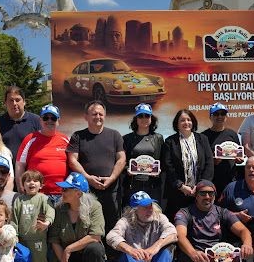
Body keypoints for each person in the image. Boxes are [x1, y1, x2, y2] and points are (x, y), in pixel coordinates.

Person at [175, 180, 254, 262]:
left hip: (220, 259)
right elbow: (180, 236)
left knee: (247, 251)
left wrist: (247, 245)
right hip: (198, 261)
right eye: (203, 193)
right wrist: (193, 253)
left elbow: (243, 230)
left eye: (211, 193)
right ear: (196, 196)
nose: (207, 197)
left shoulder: (222, 212)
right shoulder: (184, 213)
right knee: (186, 256)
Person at [107, 191, 178, 262]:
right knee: (121, 249)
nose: (149, 210)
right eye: (145, 207)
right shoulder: (125, 221)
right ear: (134, 210)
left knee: (168, 246)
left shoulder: (159, 217)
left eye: (150, 206)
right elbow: (111, 236)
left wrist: (155, 247)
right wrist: (130, 250)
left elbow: (173, 233)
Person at [67, 100, 125, 238]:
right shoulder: (77, 136)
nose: (98, 117)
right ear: (86, 116)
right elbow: (72, 160)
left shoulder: (115, 135)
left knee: (112, 226)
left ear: (105, 116)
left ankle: (111, 251)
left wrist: (111, 178)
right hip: (87, 191)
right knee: (87, 225)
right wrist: (88, 178)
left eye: (100, 114)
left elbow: (122, 159)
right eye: (94, 114)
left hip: (111, 190)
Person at [49, 173, 106, 262]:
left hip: (86, 257)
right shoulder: (59, 208)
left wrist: (69, 248)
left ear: (78, 193)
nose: (62, 192)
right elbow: (54, 240)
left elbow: (95, 236)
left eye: (65, 189)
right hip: (65, 260)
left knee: (95, 248)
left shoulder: (95, 206)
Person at [11, 170, 55, 262]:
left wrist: (47, 223)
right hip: (23, 241)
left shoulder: (43, 198)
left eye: (35, 181)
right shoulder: (19, 200)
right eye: (28, 181)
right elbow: (14, 220)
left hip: (39, 240)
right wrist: (14, 236)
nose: (32, 183)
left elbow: (50, 211)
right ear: (23, 184)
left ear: (41, 185)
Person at [163, 109, 214, 220]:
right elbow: (168, 166)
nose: (186, 122)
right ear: (177, 124)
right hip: (178, 192)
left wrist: (201, 186)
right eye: (182, 120)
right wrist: (181, 186)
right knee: (178, 221)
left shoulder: (203, 139)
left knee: (199, 221)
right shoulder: (170, 142)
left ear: (193, 122)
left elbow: (209, 163)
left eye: (189, 120)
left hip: (200, 192)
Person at [15, 104, 69, 203]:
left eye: (53, 118)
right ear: (40, 120)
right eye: (45, 118)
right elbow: (20, 164)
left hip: (62, 194)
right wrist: (21, 186)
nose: (49, 121)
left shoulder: (65, 139)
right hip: (37, 194)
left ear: (58, 121)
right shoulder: (30, 139)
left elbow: (73, 163)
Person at [122, 104, 164, 205]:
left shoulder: (158, 138)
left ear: (151, 118)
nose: (144, 118)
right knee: (132, 212)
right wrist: (127, 169)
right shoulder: (127, 139)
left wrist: (160, 170)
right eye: (140, 116)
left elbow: (163, 160)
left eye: (147, 116)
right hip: (132, 184)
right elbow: (121, 161)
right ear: (136, 119)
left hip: (152, 185)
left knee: (153, 211)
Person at [0, 86, 41, 183]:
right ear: (5, 103)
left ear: (24, 102)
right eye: (11, 100)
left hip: (31, 177)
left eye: (17, 100)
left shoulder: (37, 121)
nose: (14, 103)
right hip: (5, 175)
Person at [222, 156, 254, 238]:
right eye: (248, 167)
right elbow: (219, 213)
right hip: (237, 238)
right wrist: (236, 215)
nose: (251, 170)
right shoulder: (231, 188)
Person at [202, 102, 242, 199]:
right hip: (212, 180)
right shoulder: (203, 136)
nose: (219, 116)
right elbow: (201, 160)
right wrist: (212, 161)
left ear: (226, 116)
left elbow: (240, 155)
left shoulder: (232, 134)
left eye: (223, 114)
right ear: (210, 117)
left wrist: (239, 160)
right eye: (216, 114)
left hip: (231, 179)